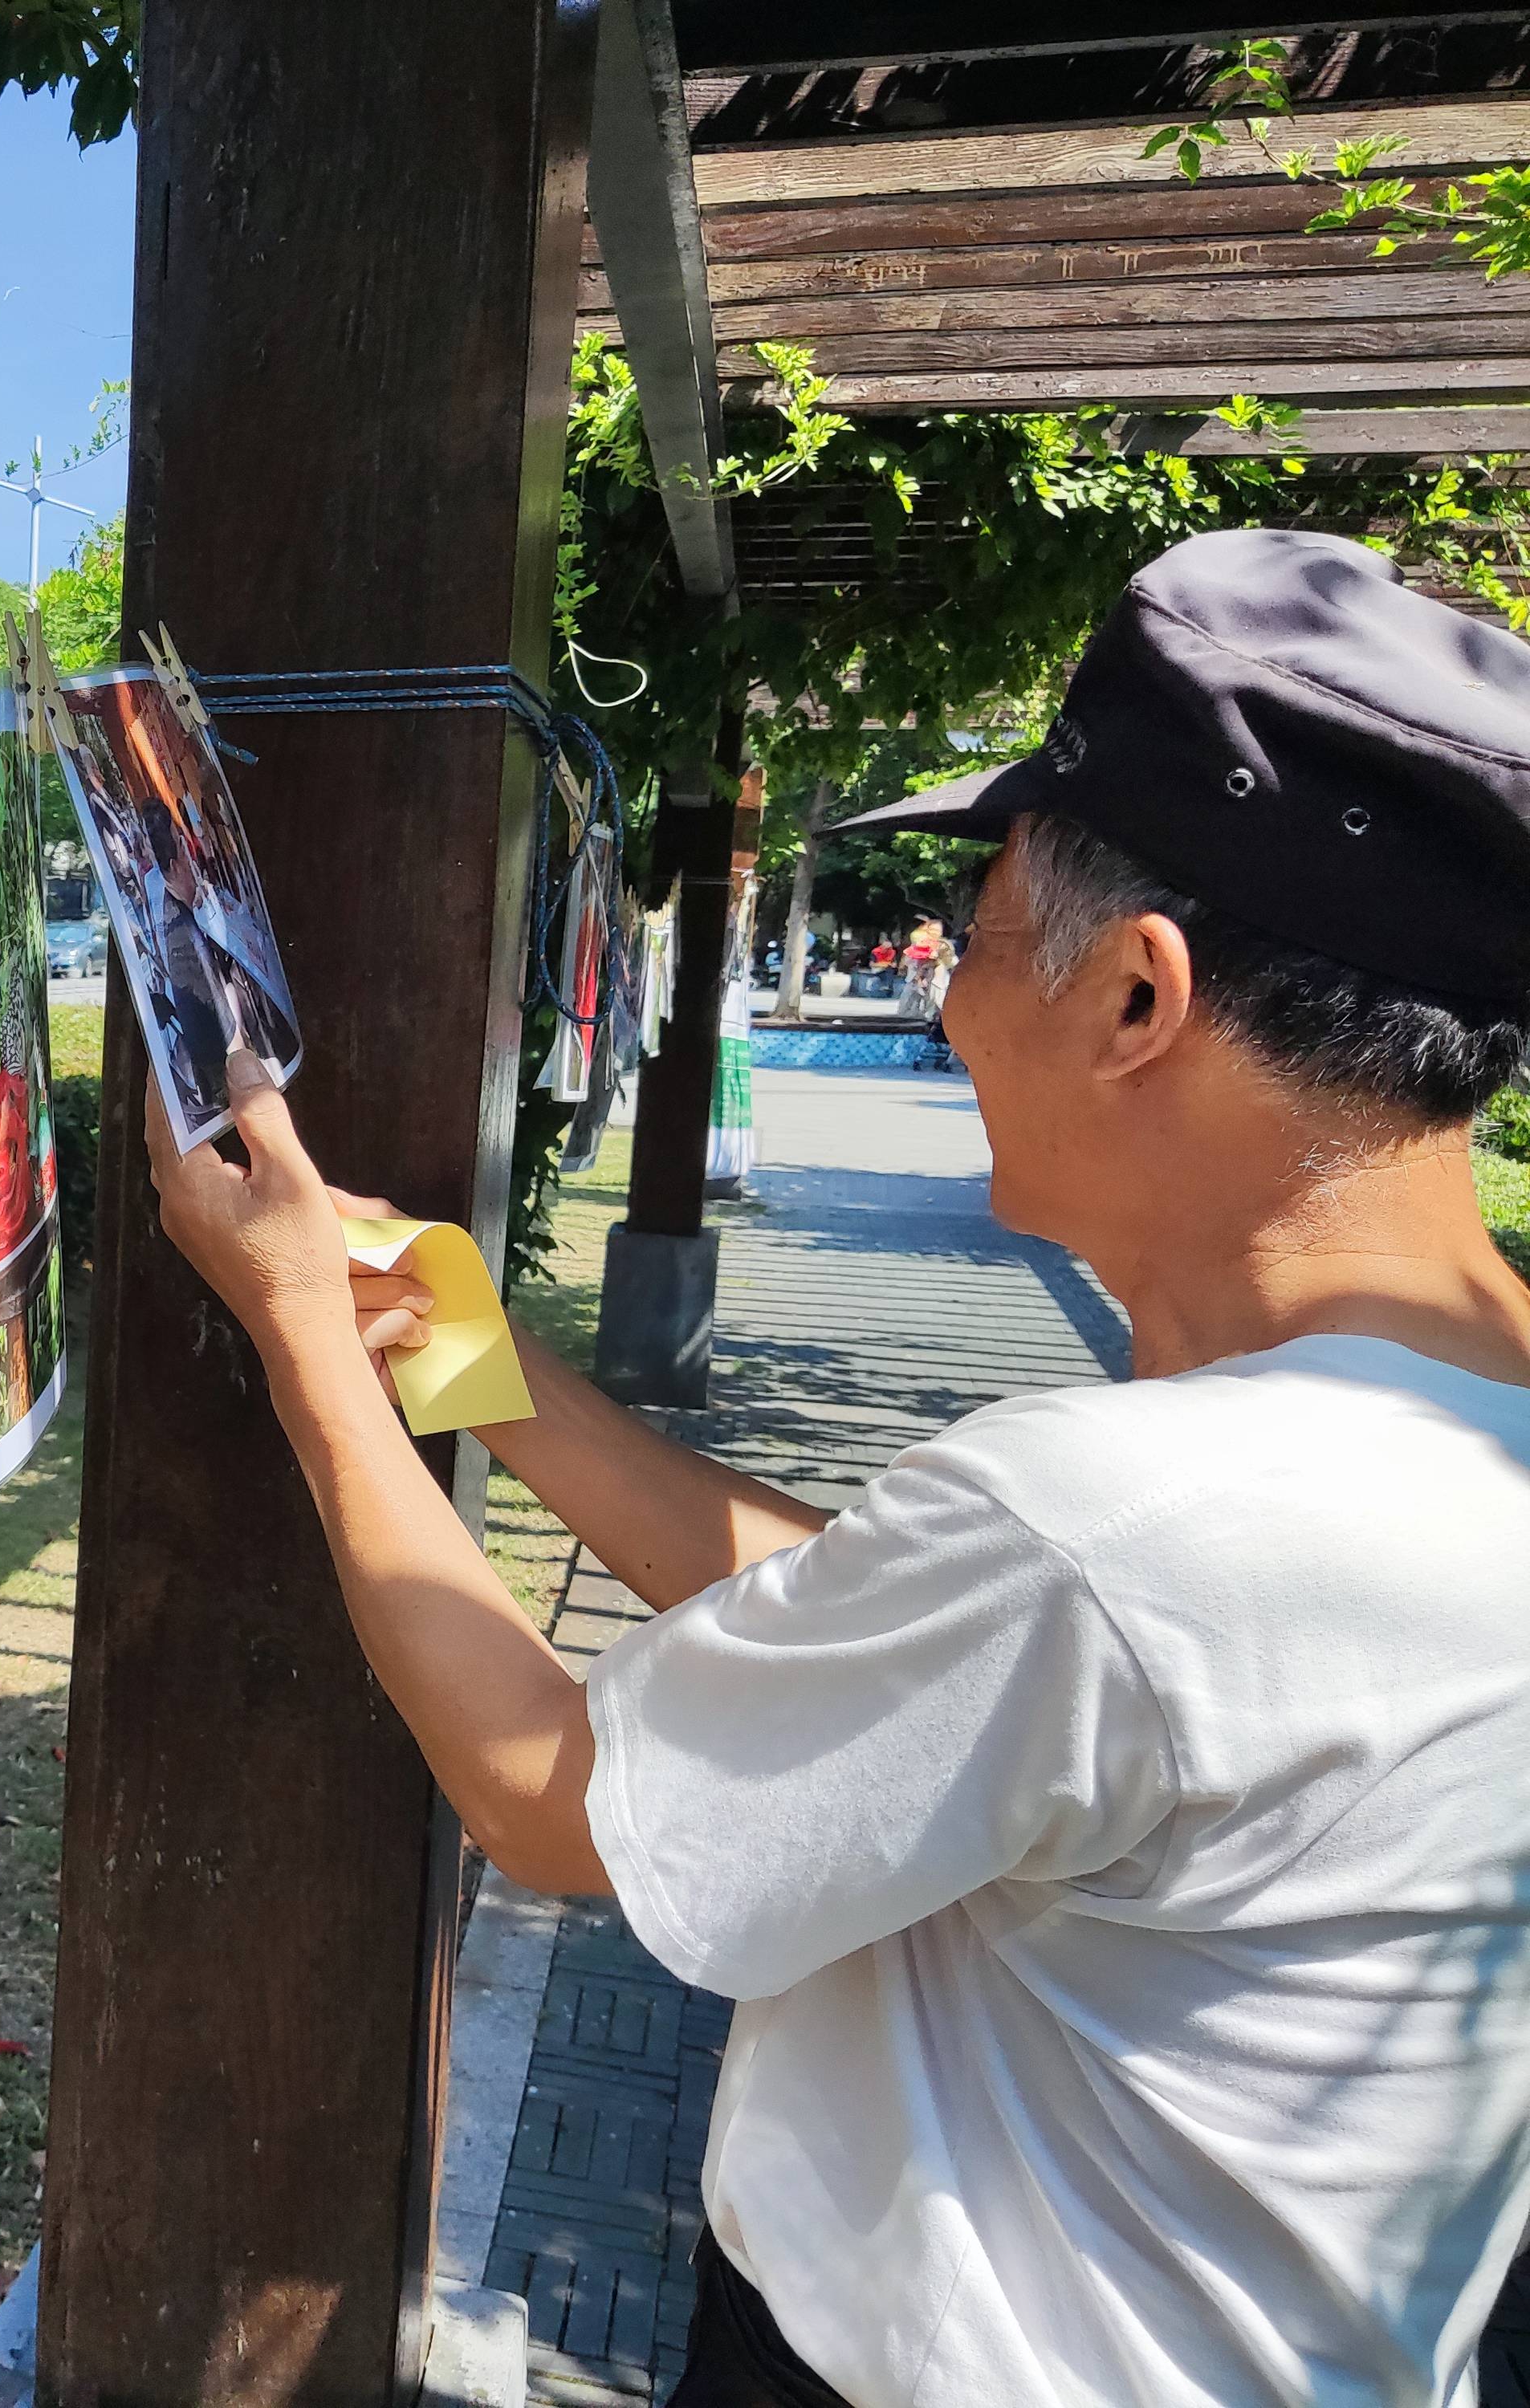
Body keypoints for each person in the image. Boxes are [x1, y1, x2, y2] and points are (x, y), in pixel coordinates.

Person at [140, 528, 1530, 2408]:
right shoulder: (1425, 1434)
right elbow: (911, 1641)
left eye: (970, 938)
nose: (950, 1002)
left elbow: (553, 1803)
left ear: (1136, 997)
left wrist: (299, 1330)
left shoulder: (1120, 1530)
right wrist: (459, 1348)